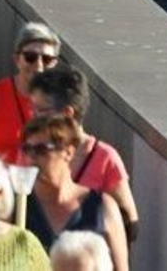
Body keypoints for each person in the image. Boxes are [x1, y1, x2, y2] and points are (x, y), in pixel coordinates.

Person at [28, 66, 138, 240]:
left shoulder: (105, 158)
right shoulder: (32, 149)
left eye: (41, 110)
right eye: (33, 109)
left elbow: (129, 222)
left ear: (67, 113)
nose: (33, 116)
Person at [22, 114, 130, 270]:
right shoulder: (20, 205)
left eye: (41, 150)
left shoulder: (101, 207)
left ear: (68, 152)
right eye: (27, 150)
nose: (32, 159)